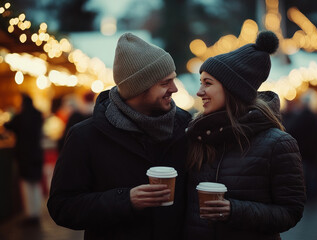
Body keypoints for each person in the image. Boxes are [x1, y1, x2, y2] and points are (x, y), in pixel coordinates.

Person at [47, 33, 191, 239]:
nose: (174, 89)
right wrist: (125, 200)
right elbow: (62, 207)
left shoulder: (184, 127)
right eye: (165, 83)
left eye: (173, 79)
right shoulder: (85, 136)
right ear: (139, 87)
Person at [185, 31, 306, 240]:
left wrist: (234, 210)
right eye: (200, 82)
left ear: (233, 89)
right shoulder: (198, 136)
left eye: (208, 83)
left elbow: (290, 212)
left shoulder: (278, 144)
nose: (199, 92)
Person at [4, 94, 44, 225]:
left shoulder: (20, 117)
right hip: (37, 153)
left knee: (26, 185)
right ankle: (36, 212)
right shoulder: (38, 115)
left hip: (24, 155)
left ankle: (30, 214)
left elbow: (8, 126)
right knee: (35, 183)